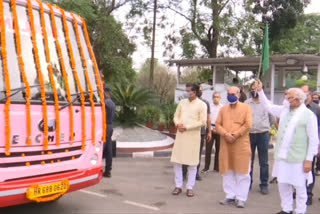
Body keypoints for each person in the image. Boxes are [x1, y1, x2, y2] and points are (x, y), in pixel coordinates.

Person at [253, 80, 319, 214]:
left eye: (289, 98)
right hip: (282, 156)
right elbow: (268, 106)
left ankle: (300, 210)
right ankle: (286, 209)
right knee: (283, 184)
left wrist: (309, 160)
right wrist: (260, 91)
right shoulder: (284, 110)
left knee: (300, 186)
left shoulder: (308, 115)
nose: (286, 100)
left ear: (298, 99)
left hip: (299, 158)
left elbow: (314, 140)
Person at [216, 86, 252, 208]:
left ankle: (241, 198)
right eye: (228, 93)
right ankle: (230, 196)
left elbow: (248, 124)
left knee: (242, 172)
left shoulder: (246, 108)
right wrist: (225, 134)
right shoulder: (223, 109)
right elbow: (217, 124)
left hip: (240, 144)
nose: (230, 95)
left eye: (233, 93)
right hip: (226, 144)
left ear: (238, 94)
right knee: (227, 171)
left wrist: (235, 135)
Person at [170, 84, 207, 197]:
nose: (186, 93)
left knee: (192, 163)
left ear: (194, 92)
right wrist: (178, 124)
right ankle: (178, 186)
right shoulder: (182, 103)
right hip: (181, 136)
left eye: (188, 91)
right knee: (177, 161)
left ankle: (190, 187)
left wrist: (187, 127)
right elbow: (175, 116)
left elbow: (202, 122)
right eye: (186, 91)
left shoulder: (202, 105)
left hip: (193, 137)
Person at [245, 83, 275, 195]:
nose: (254, 91)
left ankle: (264, 185)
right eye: (252, 89)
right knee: (249, 161)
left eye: (256, 89)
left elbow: (272, 119)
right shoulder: (246, 103)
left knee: (264, 161)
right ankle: (248, 183)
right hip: (250, 134)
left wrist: (264, 126)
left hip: (263, 134)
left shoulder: (267, 103)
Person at [182, 86, 211, 181]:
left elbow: (208, 118)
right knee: (185, 152)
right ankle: (184, 173)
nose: (200, 92)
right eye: (199, 90)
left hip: (200, 132)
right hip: (187, 131)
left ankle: (195, 174)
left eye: (201, 90)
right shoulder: (186, 102)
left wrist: (209, 131)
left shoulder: (205, 103)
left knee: (197, 154)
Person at [301, 85, 320, 205]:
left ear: (310, 95)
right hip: (298, 145)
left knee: (309, 168)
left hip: (311, 144)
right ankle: (299, 191)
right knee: (298, 169)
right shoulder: (296, 108)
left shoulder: (316, 109)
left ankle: (308, 193)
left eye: (305, 93)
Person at [202, 92, 222, 173]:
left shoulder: (222, 107)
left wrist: (218, 128)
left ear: (220, 98)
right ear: (212, 98)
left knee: (218, 149)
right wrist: (211, 128)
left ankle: (217, 167)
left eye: (217, 97)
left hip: (219, 129)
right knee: (208, 149)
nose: (215, 98)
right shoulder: (209, 106)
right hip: (210, 128)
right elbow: (207, 118)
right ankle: (206, 167)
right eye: (214, 97)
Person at [103, 87, 116, 178]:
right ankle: (108, 170)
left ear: (105, 93)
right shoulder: (112, 103)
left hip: (105, 126)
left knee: (101, 148)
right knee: (109, 149)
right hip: (110, 126)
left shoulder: (105, 103)